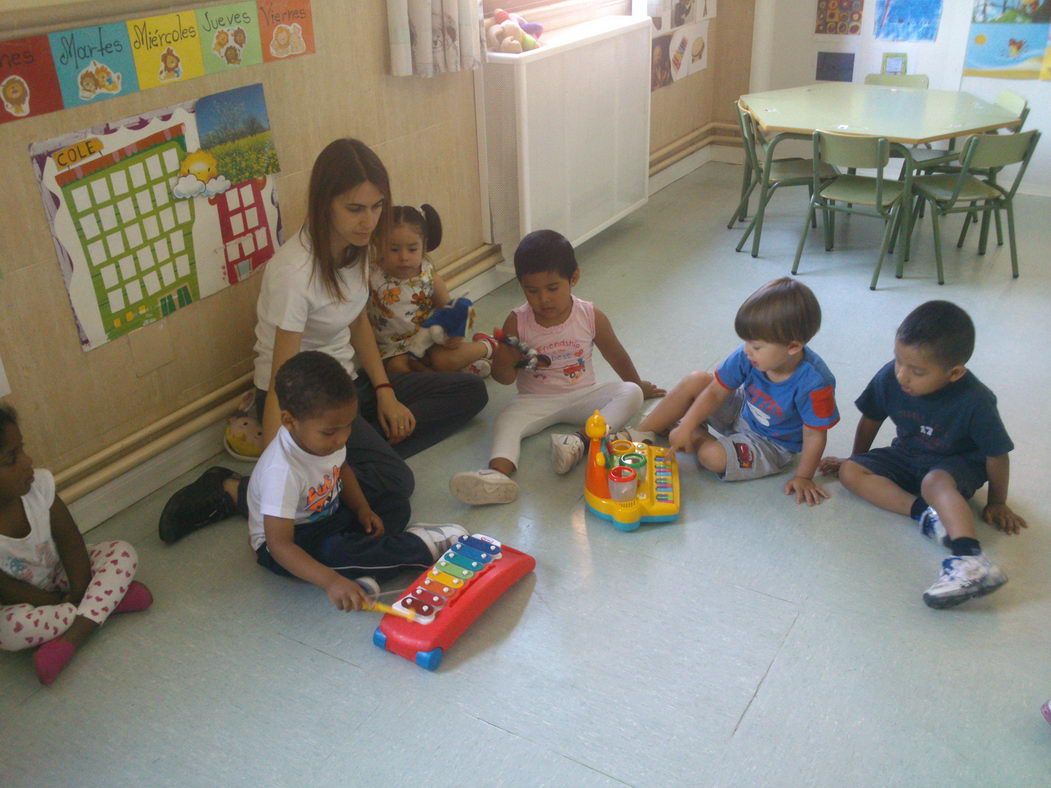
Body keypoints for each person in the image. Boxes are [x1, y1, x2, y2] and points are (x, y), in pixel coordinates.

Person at [159, 139, 487, 544]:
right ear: (324, 203)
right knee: (394, 484)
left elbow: (357, 323)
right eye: (355, 209)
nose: (369, 221)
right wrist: (272, 468)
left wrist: (385, 391)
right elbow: (282, 371)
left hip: (350, 382)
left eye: (377, 206)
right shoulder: (294, 273)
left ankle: (339, 453)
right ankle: (235, 489)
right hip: (304, 397)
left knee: (470, 393)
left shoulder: (359, 247)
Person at [819, 301, 1025, 609]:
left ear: (954, 372)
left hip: (957, 465)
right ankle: (926, 516)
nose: (902, 376)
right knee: (851, 474)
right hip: (907, 453)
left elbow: (996, 455)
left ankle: (971, 559)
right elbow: (872, 417)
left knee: (934, 483)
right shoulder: (890, 377)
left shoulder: (976, 400)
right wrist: (855, 458)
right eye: (898, 360)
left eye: (917, 371)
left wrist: (997, 501)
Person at [449, 229, 664, 505]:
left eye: (552, 288)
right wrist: (504, 352)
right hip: (535, 400)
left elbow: (615, 353)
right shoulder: (517, 321)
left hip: (584, 395)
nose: (543, 299)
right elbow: (504, 378)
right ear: (521, 285)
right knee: (506, 422)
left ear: (573, 278)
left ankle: (578, 442)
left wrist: (639, 384)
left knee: (630, 392)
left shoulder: (589, 315)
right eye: (532, 291)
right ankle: (496, 476)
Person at [248, 351, 467, 608]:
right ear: (289, 421)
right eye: (330, 432)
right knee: (334, 553)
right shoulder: (281, 471)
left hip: (327, 516)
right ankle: (418, 547)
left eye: (348, 426)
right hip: (291, 541)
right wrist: (331, 582)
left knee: (394, 504)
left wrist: (362, 508)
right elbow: (280, 546)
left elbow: (343, 469)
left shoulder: (326, 441)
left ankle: (365, 567)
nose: (341, 439)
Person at [631, 278, 838, 505]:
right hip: (743, 410)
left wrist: (803, 476)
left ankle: (692, 435)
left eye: (756, 346)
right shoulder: (748, 354)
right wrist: (690, 422)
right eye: (746, 342)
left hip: (773, 444)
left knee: (712, 457)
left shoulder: (816, 384)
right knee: (697, 380)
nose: (747, 351)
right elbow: (714, 392)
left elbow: (815, 434)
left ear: (793, 346)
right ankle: (641, 433)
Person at [0, 406, 153, 685]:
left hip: (64, 572)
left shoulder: (38, 488)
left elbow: (69, 539)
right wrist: (56, 602)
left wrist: (80, 588)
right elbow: (5, 588)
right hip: (30, 599)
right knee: (6, 631)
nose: (27, 461)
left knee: (123, 552)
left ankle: (71, 638)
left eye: (22, 449)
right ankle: (107, 604)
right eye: (12, 458)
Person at [367, 203, 497, 377]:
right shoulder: (372, 277)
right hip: (395, 348)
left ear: (424, 245)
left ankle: (487, 345)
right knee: (398, 369)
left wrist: (452, 338)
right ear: (378, 244)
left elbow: (448, 310)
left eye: (412, 249)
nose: (404, 257)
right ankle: (453, 375)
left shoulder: (428, 276)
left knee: (445, 361)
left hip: (430, 339)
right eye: (394, 249)